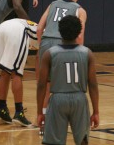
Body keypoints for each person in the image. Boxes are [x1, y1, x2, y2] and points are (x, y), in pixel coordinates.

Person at [36, 15, 99, 145]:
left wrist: (39, 112)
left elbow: (41, 85)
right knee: (83, 141)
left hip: (58, 100)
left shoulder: (49, 53)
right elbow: (93, 85)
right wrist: (96, 111)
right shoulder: (87, 53)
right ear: (79, 31)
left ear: (59, 31)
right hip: (80, 100)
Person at [36, 0, 87, 116]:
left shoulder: (52, 4)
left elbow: (39, 28)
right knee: (64, 83)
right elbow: (80, 35)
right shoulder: (80, 10)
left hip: (46, 43)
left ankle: (43, 115)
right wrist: (79, 53)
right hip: (62, 45)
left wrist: (41, 45)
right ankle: (64, 115)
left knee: (45, 83)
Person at [0, 18, 39, 126]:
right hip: (18, 30)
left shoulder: (44, 28)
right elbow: (40, 59)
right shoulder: (51, 40)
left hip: (3, 26)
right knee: (17, 72)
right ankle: (19, 112)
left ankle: (2, 109)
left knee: (5, 70)